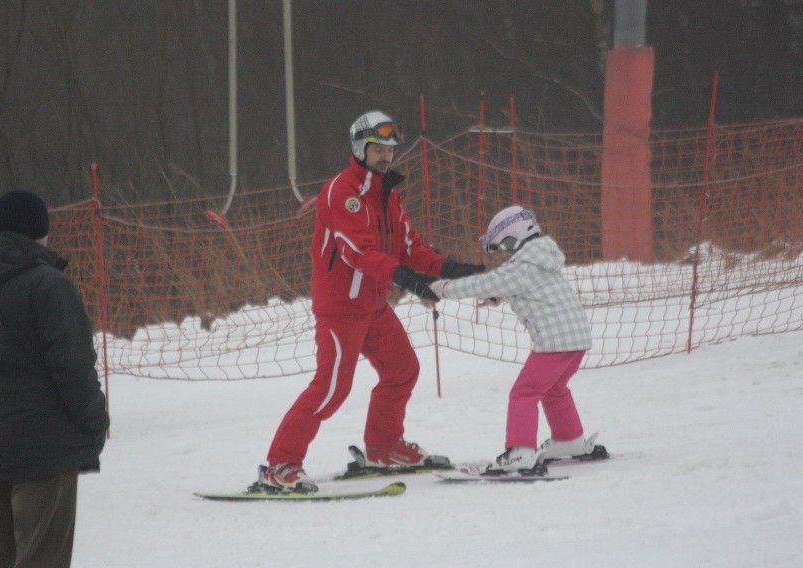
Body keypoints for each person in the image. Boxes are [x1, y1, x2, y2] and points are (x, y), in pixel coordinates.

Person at [256, 111, 484, 493]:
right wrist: (407, 280)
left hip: (373, 306)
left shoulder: (388, 197)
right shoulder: (340, 192)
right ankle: (281, 465)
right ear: (360, 148)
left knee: (403, 369)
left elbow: (411, 248)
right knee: (331, 389)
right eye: (378, 148)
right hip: (341, 309)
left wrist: (454, 269)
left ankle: (384, 447)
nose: (386, 156)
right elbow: (357, 253)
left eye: (390, 149)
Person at [0, 189, 110, 567]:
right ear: (39, 231)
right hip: (45, 454)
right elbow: (73, 368)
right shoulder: (49, 285)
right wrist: (96, 424)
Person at [428, 205, 603, 472]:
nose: (506, 253)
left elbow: (485, 283)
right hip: (576, 340)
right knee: (554, 390)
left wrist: (444, 289)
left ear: (513, 237)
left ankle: (521, 451)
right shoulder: (542, 258)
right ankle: (569, 439)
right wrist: (499, 296)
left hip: (555, 343)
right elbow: (527, 287)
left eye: (504, 246)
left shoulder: (523, 265)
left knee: (524, 393)